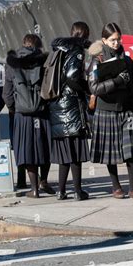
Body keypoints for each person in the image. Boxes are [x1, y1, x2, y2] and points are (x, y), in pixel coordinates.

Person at [88, 23, 133, 201]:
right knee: (110, 150)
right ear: (104, 40)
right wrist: (117, 81)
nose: (116, 43)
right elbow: (94, 87)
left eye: (118, 39)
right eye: (112, 40)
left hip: (126, 109)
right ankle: (116, 186)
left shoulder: (127, 59)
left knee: (131, 150)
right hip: (106, 110)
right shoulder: (98, 60)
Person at [3, 34, 55, 198]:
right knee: (44, 147)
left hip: (22, 115)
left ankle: (34, 189)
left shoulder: (12, 64)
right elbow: (50, 88)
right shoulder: (45, 61)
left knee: (27, 150)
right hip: (42, 113)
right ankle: (44, 181)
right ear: (38, 46)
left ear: (23, 45)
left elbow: (7, 93)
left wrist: (13, 108)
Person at [49, 22, 91, 201]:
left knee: (65, 153)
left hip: (58, 104)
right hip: (72, 105)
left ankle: (61, 190)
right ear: (85, 35)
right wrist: (86, 88)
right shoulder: (77, 50)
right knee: (76, 152)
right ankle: (77, 191)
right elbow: (73, 76)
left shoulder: (58, 49)